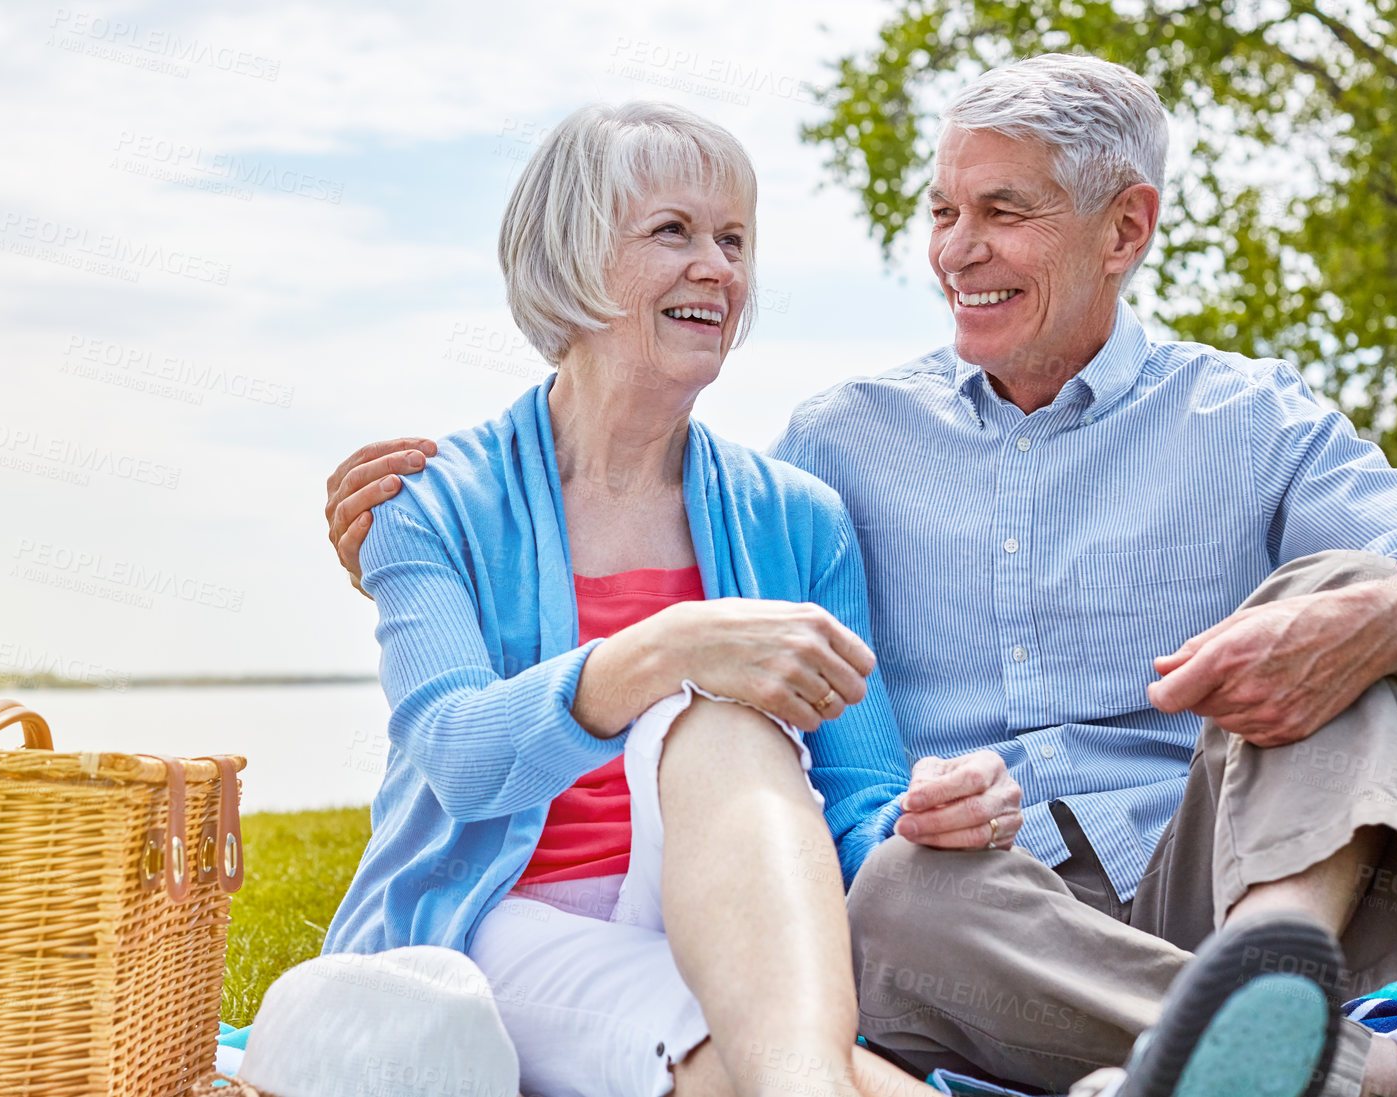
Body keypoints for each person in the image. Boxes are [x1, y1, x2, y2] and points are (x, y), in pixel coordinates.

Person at [324, 57, 1397, 1097]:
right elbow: (556, 695)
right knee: (887, 883)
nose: (957, 248)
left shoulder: (1248, 419)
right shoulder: (832, 448)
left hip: (1197, 875)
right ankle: (1344, 1073)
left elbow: (839, 769)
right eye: (943, 213)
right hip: (969, 915)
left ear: (1126, 230)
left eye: (1003, 212)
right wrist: (435, 570)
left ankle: (1265, 989)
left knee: (1360, 600)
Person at [320, 100, 981, 1097]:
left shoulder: (800, 517)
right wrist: (668, 647)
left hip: (735, 915)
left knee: (727, 733)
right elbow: (456, 755)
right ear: (571, 258)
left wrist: (928, 815)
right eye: (673, 232)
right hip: (497, 912)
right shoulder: (434, 501)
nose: (717, 267)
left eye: (734, 240)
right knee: (760, 1056)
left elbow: (855, 792)